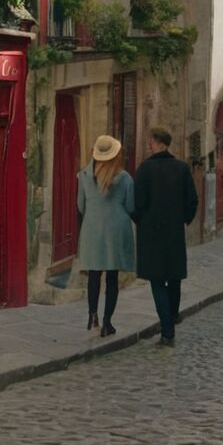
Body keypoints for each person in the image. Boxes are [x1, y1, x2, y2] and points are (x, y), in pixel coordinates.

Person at [133, 126, 199, 347]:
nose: (149, 144)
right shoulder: (181, 169)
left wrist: (141, 222)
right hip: (173, 233)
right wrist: (183, 220)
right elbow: (192, 201)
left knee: (157, 281)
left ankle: (167, 329)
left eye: (151, 141)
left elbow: (137, 204)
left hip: (151, 235)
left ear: (158, 143)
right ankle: (171, 318)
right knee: (174, 278)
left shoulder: (144, 170)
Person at [77, 135, 135, 337]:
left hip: (92, 228)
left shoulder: (84, 176)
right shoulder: (125, 178)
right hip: (116, 229)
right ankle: (108, 322)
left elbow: (81, 205)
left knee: (94, 274)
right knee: (112, 277)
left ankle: (92, 315)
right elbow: (131, 206)